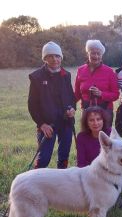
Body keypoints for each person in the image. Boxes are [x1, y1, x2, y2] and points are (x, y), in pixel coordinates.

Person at [28, 41, 76, 169]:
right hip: (47, 125)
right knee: (44, 158)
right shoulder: (36, 77)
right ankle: (35, 182)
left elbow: (71, 97)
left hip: (66, 122)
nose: (54, 59)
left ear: (61, 57)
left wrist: (72, 109)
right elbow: (32, 104)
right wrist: (42, 124)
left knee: (64, 156)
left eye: (57, 56)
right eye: (50, 56)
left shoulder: (66, 75)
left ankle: (60, 182)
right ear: (45, 58)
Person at [74, 39, 119, 124]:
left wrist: (101, 94)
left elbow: (116, 95)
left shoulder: (109, 71)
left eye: (99, 53)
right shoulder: (80, 70)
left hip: (105, 112)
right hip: (87, 111)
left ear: (102, 55)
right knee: (88, 136)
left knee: (103, 137)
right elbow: (77, 94)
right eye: (93, 53)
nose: (96, 56)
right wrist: (68, 106)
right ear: (88, 54)